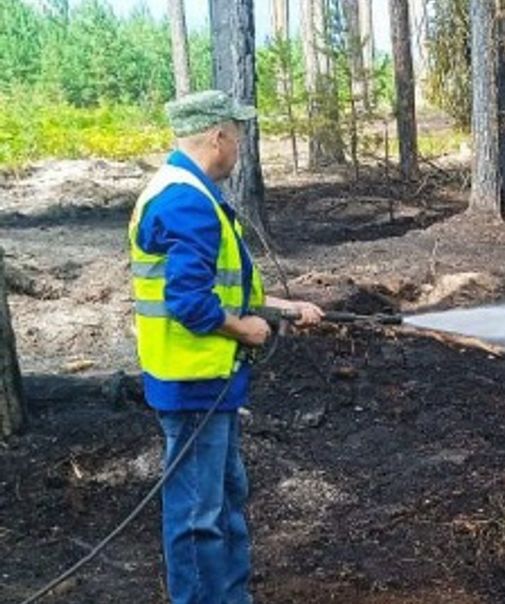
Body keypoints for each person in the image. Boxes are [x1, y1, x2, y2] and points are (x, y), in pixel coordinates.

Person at [128, 90, 323, 604]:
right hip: (194, 385)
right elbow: (189, 303)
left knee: (226, 502)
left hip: (209, 384)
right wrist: (247, 331)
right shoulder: (185, 202)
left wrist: (281, 307)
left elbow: (220, 288)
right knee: (197, 519)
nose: (239, 146)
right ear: (217, 137)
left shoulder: (188, 192)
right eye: (236, 135)